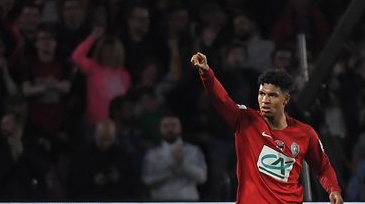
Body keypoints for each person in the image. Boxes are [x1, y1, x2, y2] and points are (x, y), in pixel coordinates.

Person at [190, 52, 343, 204]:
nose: (265, 100)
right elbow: (221, 100)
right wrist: (206, 72)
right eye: (261, 94)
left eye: (272, 95)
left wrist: (333, 189)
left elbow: (323, 168)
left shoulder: (305, 133)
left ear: (286, 99)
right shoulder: (245, 121)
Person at [142, 112, 207, 201]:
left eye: (173, 125)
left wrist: (183, 164)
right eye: (166, 126)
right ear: (160, 129)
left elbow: (202, 178)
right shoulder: (152, 154)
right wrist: (171, 166)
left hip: (188, 201)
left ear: (180, 128)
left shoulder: (193, 150)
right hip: (161, 201)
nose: (170, 129)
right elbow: (147, 181)